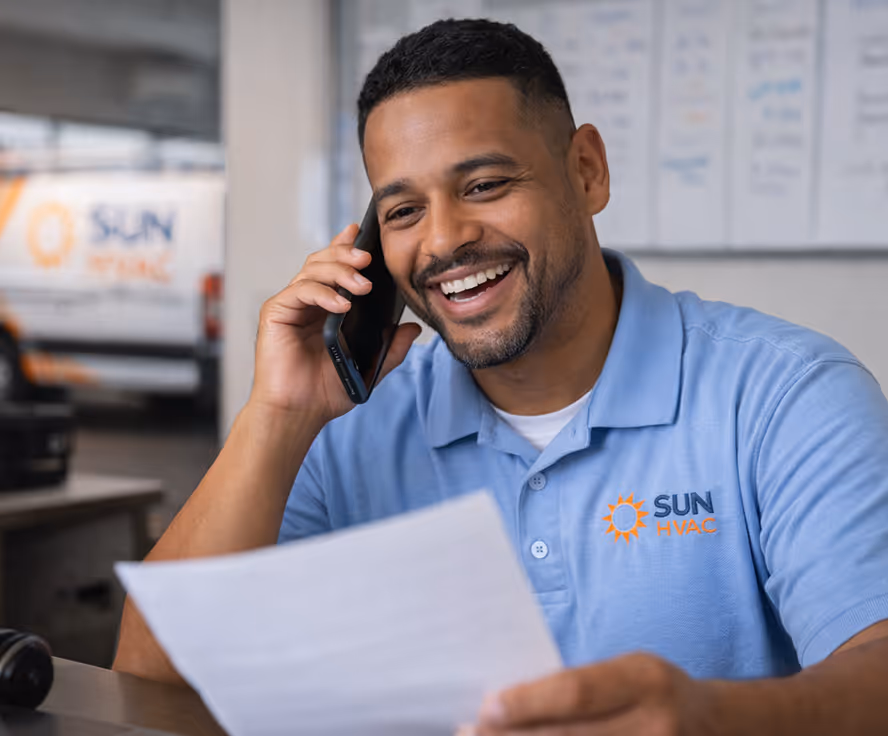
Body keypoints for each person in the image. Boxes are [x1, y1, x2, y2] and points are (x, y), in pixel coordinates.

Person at [114, 18, 888, 735]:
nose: (444, 241)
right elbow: (148, 682)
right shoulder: (348, 422)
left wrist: (713, 718)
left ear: (586, 172)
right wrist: (278, 415)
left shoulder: (788, 394)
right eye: (403, 211)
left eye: (484, 185)